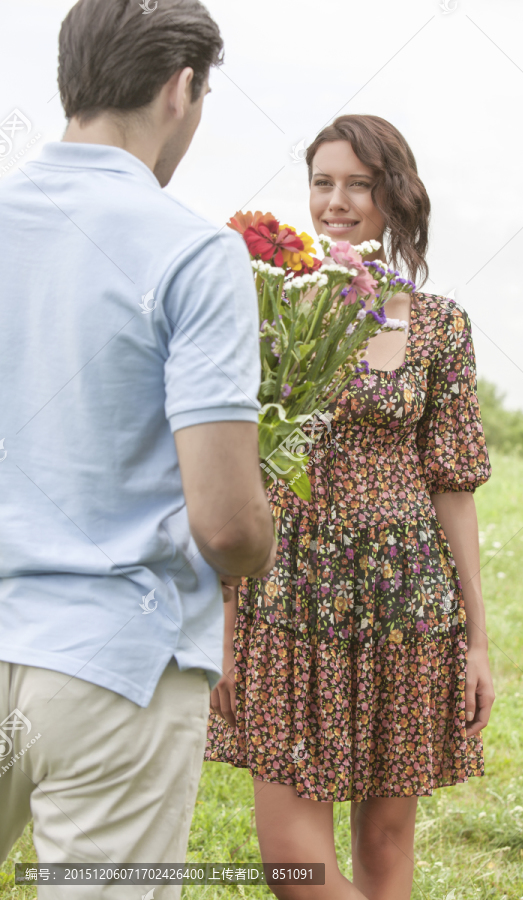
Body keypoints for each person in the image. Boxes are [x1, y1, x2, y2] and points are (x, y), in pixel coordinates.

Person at [0, 0, 276, 895]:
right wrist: (263, 542)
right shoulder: (195, 252)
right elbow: (228, 523)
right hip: (117, 667)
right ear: (180, 88)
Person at [205, 114, 495, 900]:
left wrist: (475, 639)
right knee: (291, 862)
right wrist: (226, 625)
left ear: (393, 194)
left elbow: (453, 485)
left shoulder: (437, 326)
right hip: (289, 593)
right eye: (321, 182)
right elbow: (242, 469)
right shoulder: (273, 307)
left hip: (406, 600)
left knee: (386, 842)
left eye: (357, 183)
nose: (336, 201)